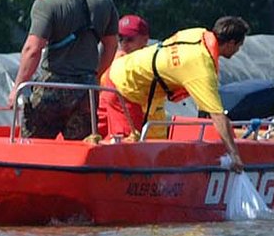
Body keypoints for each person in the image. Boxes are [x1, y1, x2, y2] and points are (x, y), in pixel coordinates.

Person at [104, 16, 250, 170]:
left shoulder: (197, 33)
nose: (237, 51)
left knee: (99, 136)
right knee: (128, 151)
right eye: (238, 46)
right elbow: (218, 116)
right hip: (124, 87)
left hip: (119, 72)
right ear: (231, 43)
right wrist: (234, 155)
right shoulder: (201, 68)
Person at [11, 0, 118, 139]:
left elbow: (32, 49)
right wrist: (94, 76)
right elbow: (111, 46)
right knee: (80, 149)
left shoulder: (46, 3)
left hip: (53, 89)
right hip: (87, 92)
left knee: (33, 148)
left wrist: (17, 87)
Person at [97, 14, 152, 138]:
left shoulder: (149, 65)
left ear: (145, 39)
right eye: (120, 38)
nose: (124, 44)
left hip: (142, 133)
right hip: (109, 130)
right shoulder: (114, 61)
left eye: (130, 39)